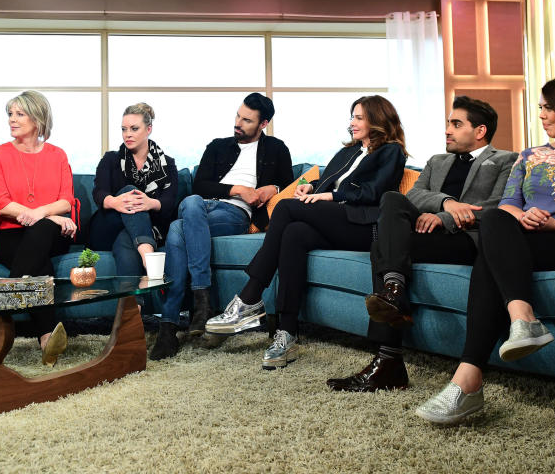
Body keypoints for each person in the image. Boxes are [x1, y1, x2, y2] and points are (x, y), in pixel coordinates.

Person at [416, 74, 555, 424]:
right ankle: (519, 324)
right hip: (528, 240)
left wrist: (554, 224)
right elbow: (507, 206)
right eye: (540, 108)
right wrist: (524, 217)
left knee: (490, 255)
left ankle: (469, 382)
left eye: (548, 108)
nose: (541, 115)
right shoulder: (531, 156)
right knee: (493, 222)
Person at [327, 96, 517, 392]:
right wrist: (446, 202)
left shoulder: (506, 160)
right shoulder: (437, 161)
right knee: (391, 201)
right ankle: (394, 294)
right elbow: (414, 196)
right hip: (428, 232)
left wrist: (445, 218)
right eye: (447, 124)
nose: (447, 130)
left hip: (467, 240)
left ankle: (388, 357)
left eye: (456, 124)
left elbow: (497, 206)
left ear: (480, 131)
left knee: (382, 245)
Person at [207, 95, 407, 369]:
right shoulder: (348, 152)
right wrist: (312, 188)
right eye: (352, 117)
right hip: (337, 221)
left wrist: (330, 197)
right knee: (295, 234)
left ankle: (250, 296)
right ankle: (286, 332)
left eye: (359, 117)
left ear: (378, 119)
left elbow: (373, 192)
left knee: (287, 209)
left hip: (363, 225)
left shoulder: (391, 151)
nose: (352, 123)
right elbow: (327, 180)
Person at [149, 93, 293, 360]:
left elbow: (289, 184)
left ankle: (168, 328)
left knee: (177, 230)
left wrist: (269, 188)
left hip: (233, 214)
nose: (238, 123)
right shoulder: (217, 146)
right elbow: (200, 185)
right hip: (200, 207)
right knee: (191, 202)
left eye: (247, 120)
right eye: (238, 116)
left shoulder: (277, 148)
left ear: (263, 124)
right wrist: (239, 188)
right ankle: (202, 301)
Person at [0, 90, 79, 366]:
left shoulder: (57, 155)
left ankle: (6, 298)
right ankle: (47, 337)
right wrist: (50, 216)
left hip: (52, 233)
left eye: (19, 114)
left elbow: (66, 199)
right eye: (10, 114)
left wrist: (42, 215)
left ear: (37, 118)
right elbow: (1, 203)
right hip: (9, 233)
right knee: (39, 263)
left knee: (41, 232)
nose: (12, 120)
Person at [89, 103, 178, 276]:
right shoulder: (110, 159)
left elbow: (169, 201)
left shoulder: (167, 163)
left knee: (126, 239)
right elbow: (99, 192)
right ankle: (150, 258)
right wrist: (115, 202)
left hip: (144, 229)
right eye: (124, 129)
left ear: (149, 129)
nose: (127, 134)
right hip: (107, 225)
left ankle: (132, 303)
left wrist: (149, 203)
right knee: (131, 190)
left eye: (134, 129)